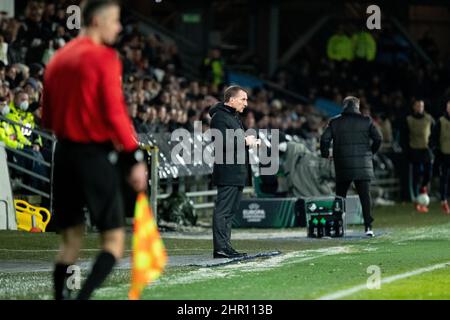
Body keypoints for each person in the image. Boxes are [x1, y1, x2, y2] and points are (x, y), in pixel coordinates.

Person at [41, 0, 147, 300]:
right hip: (94, 156)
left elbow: (46, 118)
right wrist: (134, 156)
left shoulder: (57, 59)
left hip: (63, 156)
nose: (118, 27)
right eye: (114, 21)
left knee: (70, 241)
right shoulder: (104, 57)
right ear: (98, 21)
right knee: (113, 241)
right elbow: (115, 113)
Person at [320, 96, 382, 237]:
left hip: (343, 163)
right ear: (357, 106)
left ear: (344, 106)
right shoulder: (366, 121)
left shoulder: (335, 122)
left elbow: (324, 139)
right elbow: (378, 138)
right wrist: (370, 153)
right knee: (365, 196)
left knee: (340, 196)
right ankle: (368, 227)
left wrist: (325, 154)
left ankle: (337, 226)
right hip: (363, 164)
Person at [209, 85, 259, 258]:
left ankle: (226, 246)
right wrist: (245, 140)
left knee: (230, 212)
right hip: (227, 171)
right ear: (231, 100)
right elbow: (222, 142)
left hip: (237, 171)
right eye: (243, 99)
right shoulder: (219, 117)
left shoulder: (233, 117)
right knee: (223, 211)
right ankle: (220, 248)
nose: (246, 103)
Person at [401, 100, 435, 212]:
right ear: (414, 107)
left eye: (421, 105)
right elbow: (404, 136)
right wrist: (407, 150)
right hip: (414, 151)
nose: (420, 107)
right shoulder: (409, 120)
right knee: (416, 176)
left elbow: (435, 133)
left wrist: (432, 146)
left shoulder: (429, 118)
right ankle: (417, 202)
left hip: (426, 150)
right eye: (418, 105)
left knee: (428, 174)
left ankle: (423, 190)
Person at [431, 99, 450, 214]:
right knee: (445, 178)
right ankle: (444, 201)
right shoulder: (441, 121)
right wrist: (437, 150)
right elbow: (434, 138)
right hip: (444, 154)